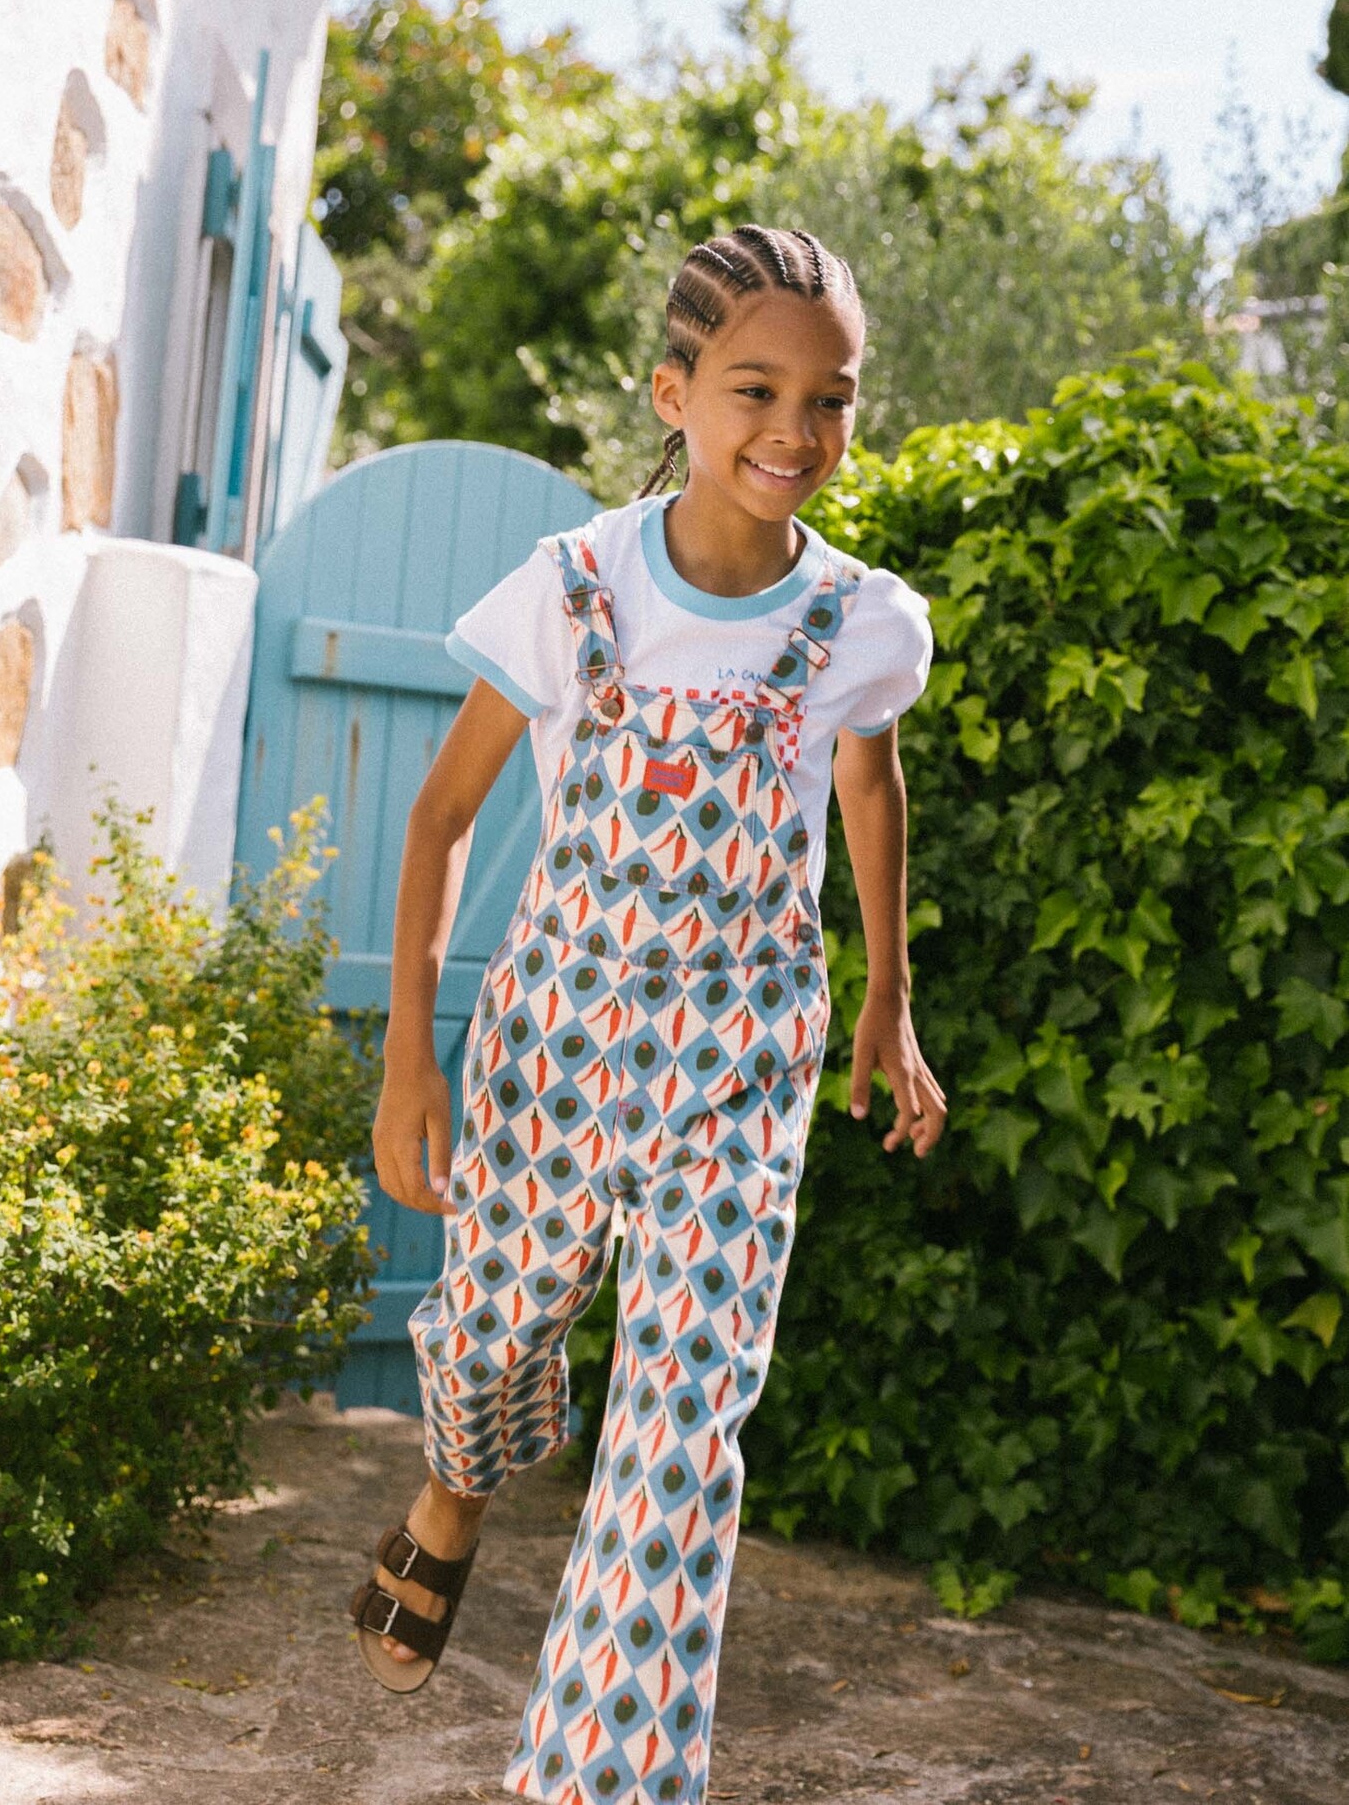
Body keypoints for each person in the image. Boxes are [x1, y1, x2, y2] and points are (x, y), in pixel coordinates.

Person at [350, 222, 947, 1804]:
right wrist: (410, 1055)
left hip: (743, 1061)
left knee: (683, 1428)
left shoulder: (859, 622)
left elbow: (869, 793)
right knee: (492, 1337)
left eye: (830, 398)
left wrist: (886, 998)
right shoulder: (574, 588)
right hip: (556, 1037)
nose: (795, 429)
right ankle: (453, 1495)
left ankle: (599, 1778)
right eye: (757, 389)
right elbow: (440, 818)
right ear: (674, 393)